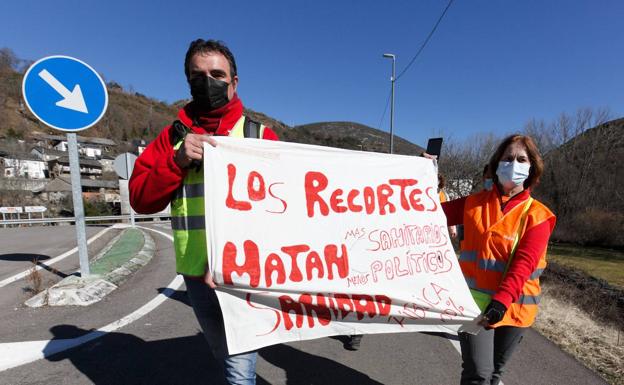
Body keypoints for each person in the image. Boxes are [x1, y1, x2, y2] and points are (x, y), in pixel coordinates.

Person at [129, 39, 279, 385]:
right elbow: (140, 199)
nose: (208, 82)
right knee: (225, 351)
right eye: (198, 76)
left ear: (234, 82)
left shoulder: (260, 136)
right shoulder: (172, 138)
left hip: (246, 274)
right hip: (197, 272)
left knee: (239, 367)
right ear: (188, 82)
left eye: (217, 74)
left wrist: (415, 173)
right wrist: (176, 161)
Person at [440, 135, 556, 385]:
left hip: (516, 309)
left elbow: (524, 263)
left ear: (532, 167)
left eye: (521, 159)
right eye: (507, 158)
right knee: (478, 374)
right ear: (496, 163)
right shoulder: (472, 204)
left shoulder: (539, 216)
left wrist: (502, 301)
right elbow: (427, 212)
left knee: (494, 375)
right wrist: (423, 177)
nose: (514, 163)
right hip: (475, 306)